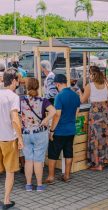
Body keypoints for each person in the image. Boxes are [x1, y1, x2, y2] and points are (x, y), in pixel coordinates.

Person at [20, 78, 56, 192]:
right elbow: (53, 111)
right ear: (38, 87)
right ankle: (39, 185)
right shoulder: (43, 100)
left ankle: (28, 185)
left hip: (25, 133)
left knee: (28, 160)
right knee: (38, 160)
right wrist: (46, 119)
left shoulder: (20, 100)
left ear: (26, 87)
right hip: (40, 133)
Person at [45, 74, 80, 184]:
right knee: (68, 152)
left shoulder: (59, 96)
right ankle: (67, 175)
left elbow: (57, 115)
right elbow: (77, 111)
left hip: (60, 131)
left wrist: (51, 130)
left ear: (58, 84)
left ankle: (51, 177)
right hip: (71, 130)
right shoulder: (75, 95)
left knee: (53, 154)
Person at [79, 66, 108, 171]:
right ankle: (105, 160)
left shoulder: (89, 85)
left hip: (96, 114)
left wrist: (79, 92)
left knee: (96, 137)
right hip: (106, 112)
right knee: (106, 136)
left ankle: (98, 164)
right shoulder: (106, 84)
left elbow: (82, 100)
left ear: (92, 74)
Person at [0, 68, 24, 210]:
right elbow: (15, 120)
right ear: (14, 81)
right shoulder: (13, 97)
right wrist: (20, 138)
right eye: (18, 80)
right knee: (10, 171)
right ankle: (6, 201)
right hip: (9, 139)